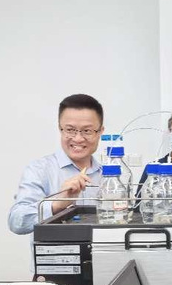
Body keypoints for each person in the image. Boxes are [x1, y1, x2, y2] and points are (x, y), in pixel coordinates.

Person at [8, 94, 105, 235]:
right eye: (70, 130)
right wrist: (57, 205)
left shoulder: (110, 177)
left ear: (100, 131)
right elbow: (16, 221)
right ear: (60, 128)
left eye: (87, 131)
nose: (78, 138)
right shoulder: (39, 170)